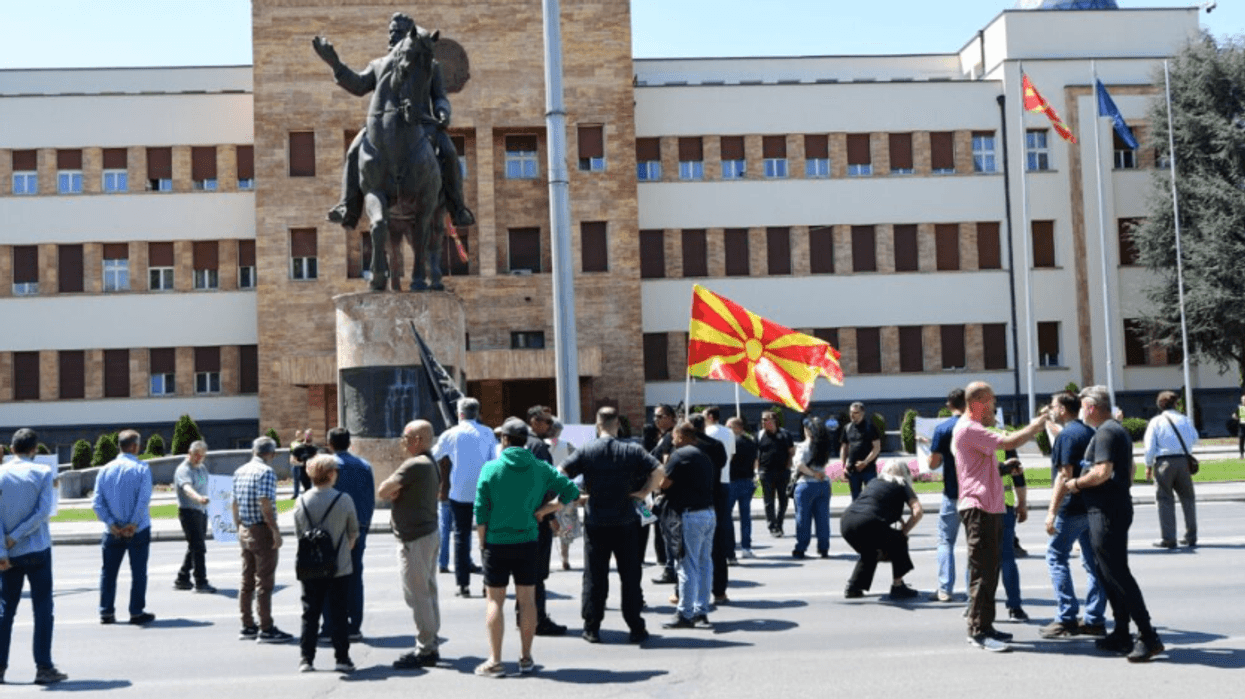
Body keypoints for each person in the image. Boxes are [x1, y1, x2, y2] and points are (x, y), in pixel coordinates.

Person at [313, 12, 475, 229]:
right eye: (390, 31)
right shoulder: (378, 64)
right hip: (381, 130)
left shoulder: (429, 64)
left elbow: (440, 97)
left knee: (449, 151)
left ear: (409, 36)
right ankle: (347, 207)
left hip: (421, 126)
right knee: (353, 152)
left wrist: (443, 112)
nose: (391, 36)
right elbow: (359, 85)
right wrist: (335, 64)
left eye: (397, 32)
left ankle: (458, 208)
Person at [473, 417, 580, 677]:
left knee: (495, 601)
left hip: (497, 543)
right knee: (528, 600)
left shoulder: (491, 468)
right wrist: (546, 510)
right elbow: (570, 492)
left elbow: (481, 510)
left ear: (505, 440)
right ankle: (526, 658)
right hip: (528, 541)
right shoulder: (540, 468)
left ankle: (495, 661)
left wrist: (481, 543)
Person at [1069, 386, 1164, 662]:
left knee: (1118, 574)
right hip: (1108, 508)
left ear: (1090, 407)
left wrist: (1075, 483)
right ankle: (1121, 631)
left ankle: (1148, 636)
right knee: (1107, 573)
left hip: (1107, 511)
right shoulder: (1112, 430)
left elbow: (1101, 472)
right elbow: (1129, 470)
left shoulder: (1108, 431)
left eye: (1082, 406)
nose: (1080, 411)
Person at [952, 381, 1048, 652]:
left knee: (991, 570)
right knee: (983, 572)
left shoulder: (976, 430)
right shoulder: (970, 428)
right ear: (978, 402)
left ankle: (987, 624)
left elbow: (980, 467)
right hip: (979, 507)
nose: (994, 404)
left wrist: (1003, 468)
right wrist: (1036, 425)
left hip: (990, 507)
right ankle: (978, 631)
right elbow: (1010, 441)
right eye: (991, 399)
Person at [561, 406, 663, 644]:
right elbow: (659, 470)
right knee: (630, 575)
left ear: (598, 425)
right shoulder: (632, 449)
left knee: (595, 576)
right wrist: (645, 491)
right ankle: (635, 626)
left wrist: (575, 497)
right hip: (626, 520)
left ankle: (592, 626)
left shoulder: (586, 450)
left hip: (596, 521)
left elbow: (560, 472)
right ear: (617, 424)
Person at [0, 428, 67, 685]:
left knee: (5, 611)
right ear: (34, 450)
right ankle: (43, 666)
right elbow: (42, 513)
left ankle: (0, 666)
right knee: (42, 608)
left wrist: (3, 549)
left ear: (12, 447)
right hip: (36, 549)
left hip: (8, 554)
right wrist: (17, 535)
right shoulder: (41, 472)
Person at [1039, 391, 1107, 639]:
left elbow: (1064, 476)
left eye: (1053, 405)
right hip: (1093, 506)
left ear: (1063, 409)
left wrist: (1051, 511)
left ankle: (1067, 617)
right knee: (1093, 564)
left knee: (1056, 557)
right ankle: (1094, 619)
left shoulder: (1067, 435)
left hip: (1071, 508)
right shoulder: (1090, 432)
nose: (1051, 408)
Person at [380, 420, 443, 670]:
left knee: (417, 596)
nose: (402, 442)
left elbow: (383, 490)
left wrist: (395, 492)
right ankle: (431, 639)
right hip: (426, 533)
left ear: (417, 439)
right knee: (427, 592)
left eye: (405, 437)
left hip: (414, 539)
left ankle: (426, 647)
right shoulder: (429, 462)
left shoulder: (415, 464)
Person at [295, 455, 360, 673]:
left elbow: (299, 534)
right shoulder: (343, 499)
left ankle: (306, 658)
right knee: (339, 613)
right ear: (331, 474)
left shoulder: (301, 501)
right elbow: (353, 534)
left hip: (309, 566)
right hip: (338, 566)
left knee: (310, 613)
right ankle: (342, 658)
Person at [432, 397, 496, 598]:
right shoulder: (488, 433)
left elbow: (433, 456)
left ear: (460, 414)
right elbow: (494, 462)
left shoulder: (450, 434)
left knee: (461, 536)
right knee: (488, 537)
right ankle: (488, 583)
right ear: (477, 413)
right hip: (485, 492)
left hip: (459, 493)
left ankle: (463, 585)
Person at [232, 436, 294, 644]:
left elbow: (234, 503)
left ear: (253, 450)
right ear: (272, 454)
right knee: (265, 582)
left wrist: (237, 526)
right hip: (262, 529)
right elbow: (265, 502)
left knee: (246, 579)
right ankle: (266, 627)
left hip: (245, 528)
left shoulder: (240, 471)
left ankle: (247, 624)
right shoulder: (266, 472)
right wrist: (275, 530)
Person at [93, 429, 156, 626]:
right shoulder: (142, 468)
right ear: (135, 446)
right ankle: (136, 611)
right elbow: (143, 500)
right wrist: (133, 524)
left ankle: (106, 612)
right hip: (137, 530)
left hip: (111, 531)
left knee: (108, 573)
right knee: (138, 572)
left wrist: (111, 523)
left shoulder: (105, 469)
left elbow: (97, 503)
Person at [660, 421, 718, 630]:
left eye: (674, 437)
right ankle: (701, 611)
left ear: (681, 437)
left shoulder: (680, 455)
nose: (672, 441)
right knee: (704, 564)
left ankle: (685, 613)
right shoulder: (703, 455)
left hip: (689, 515)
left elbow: (663, 484)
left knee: (686, 565)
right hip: (708, 512)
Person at [840, 461, 923, 599]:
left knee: (870, 551)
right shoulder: (901, 483)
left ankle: (854, 587)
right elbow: (918, 511)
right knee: (899, 540)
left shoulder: (874, 482)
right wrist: (904, 531)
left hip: (846, 522)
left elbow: (876, 504)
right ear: (904, 473)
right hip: (868, 522)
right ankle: (898, 586)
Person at [323, 428, 374, 641]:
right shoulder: (364, 466)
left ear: (330, 443)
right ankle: (354, 625)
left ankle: (330, 626)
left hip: (332, 528)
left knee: (328, 578)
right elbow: (370, 499)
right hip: (358, 527)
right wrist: (364, 525)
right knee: (354, 577)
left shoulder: (328, 466)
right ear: (349, 443)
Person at [523, 404, 568, 636]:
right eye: (547, 422)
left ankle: (525, 617)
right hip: (537, 517)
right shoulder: (538, 446)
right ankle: (538, 619)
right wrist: (551, 515)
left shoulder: (520, 443)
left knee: (526, 573)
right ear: (534, 421)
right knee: (537, 574)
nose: (551, 426)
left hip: (520, 516)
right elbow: (545, 485)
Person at [1142, 390, 1198, 549]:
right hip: (1183, 461)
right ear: (1175, 403)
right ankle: (1191, 536)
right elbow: (1195, 439)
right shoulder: (1185, 420)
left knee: (1165, 500)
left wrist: (1148, 464)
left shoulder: (1156, 421)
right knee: (1188, 499)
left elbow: (1150, 446)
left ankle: (1169, 538)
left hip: (1164, 462)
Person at [927, 388, 964, 602]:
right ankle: (974, 590)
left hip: (951, 492)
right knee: (975, 545)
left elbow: (934, 463)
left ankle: (944, 589)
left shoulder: (943, 428)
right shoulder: (976, 426)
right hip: (975, 494)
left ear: (949, 404)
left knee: (945, 541)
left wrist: (934, 459)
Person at [173, 440, 215, 593]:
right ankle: (200, 582)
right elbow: (187, 488)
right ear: (189, 453)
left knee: (194, 546)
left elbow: (205, 484)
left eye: (202, 456)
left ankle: (182, 578)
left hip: (201, 511)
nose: (199, 458)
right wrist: (199, 498)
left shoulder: (201, 468)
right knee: (199, 547)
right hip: (189, 511)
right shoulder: (183, 470)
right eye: (196, 455)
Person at [791, 417, 832, 559]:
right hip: (823, 483)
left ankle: (801, 547)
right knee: (823, 517)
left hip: (806, 483)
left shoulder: (803, 446)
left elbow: (799, 464)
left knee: (803, 517)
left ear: (808, 430)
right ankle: (823, 547)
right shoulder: (824, 445)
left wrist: (813, 474)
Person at [702, 407, 737, 571]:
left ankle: (712, 553)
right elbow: (731, 454)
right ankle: (730, 553)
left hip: (710, 481)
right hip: (726, 479)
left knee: (709, 520)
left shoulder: (706, 432)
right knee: (725, 519)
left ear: (709, 417)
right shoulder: (729, 432)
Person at [547, 417, 583, 570]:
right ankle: (565, 557)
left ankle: (545, 558)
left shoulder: (541, 446)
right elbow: (578, 462)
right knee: (566, 524)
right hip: (564, 489)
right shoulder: (567, 446)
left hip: (547, 490)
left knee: (547, 524)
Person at [648, 404, 678, 583]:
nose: (656, 420)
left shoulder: (670, 437)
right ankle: (669, 567)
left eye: (660, 416)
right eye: (655, 417)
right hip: (661, 490)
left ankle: (671, 570)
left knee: (669, 533)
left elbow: (660, 462)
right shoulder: (663, 436)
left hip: (667, 491)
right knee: (665, 532)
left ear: (671, 417)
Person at [756, 410, 795, 537]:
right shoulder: (760, 435)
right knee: (769, 501)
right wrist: (757, 471)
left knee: (783, 500)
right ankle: (772, 526)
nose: (763, 422)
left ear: (774, 421)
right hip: (766, 472)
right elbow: (756, 454)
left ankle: (779, 523)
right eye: (762, 419)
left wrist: (789, 465)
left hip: (783, 472)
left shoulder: (785, 434)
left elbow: (791, 451)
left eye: (766, 419)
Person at [725, 417, 758, 559]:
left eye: (729, 427)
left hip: (732, 481)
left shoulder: (732, 442)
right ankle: (746, 547)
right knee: (745, 516)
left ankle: (729, 547)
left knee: (727, 516)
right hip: (747, 480)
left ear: (736, 427)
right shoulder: (751, 441)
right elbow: (756, 461)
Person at [840, 402, 881, 501]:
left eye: (855, 413)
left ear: (862, 413)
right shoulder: (847, 428)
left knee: (872, 497)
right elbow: (844, 447)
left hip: (868, 469)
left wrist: (865, 462)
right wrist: (844, 465)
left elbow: (877, 447)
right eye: (851, 412)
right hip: (853, 471)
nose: (852, 415)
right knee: (855, 499)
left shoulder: (870, 427)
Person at [290, 429, 317, 500]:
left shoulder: (314, 448)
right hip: (301, 471)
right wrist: (300, 463)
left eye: (310, 435)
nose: (309, 436)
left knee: (310, 490)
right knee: (302, 486)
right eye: (307, 435)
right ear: (305, 435)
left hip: (311, 472)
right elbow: (292, 460)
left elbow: (317, 459)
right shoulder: (299, 448)